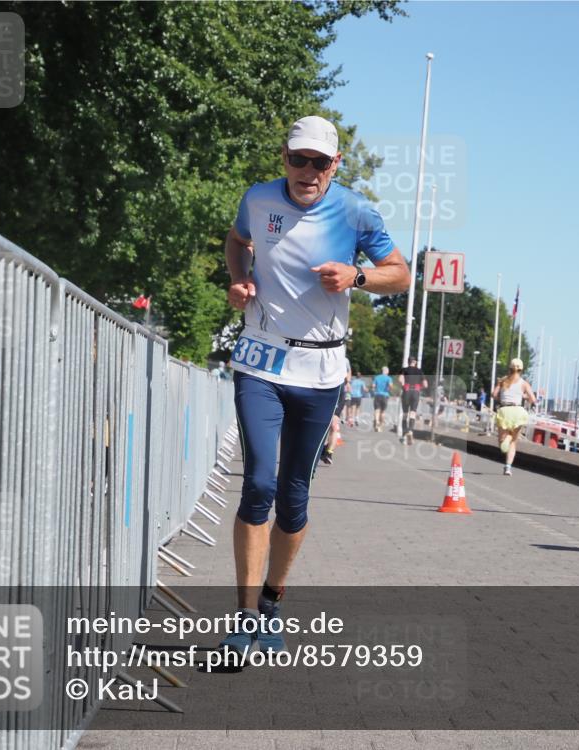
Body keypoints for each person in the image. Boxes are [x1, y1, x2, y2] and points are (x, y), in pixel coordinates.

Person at [223, 115, 409, 655]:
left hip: (321, 372)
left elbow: (400, 273)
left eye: (318, 162)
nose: (306, 171)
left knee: (293, 498)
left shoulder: (355, 210)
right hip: (260, 357)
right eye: (296, 159)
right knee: (258, 482)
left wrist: (358, 276)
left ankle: (272, 602)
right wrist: (238, 279)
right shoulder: (257, 199)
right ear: (283, 157)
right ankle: (243, 616)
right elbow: (237, 242)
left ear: (336, 165)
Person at [491, 358, 538, 476]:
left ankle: (506, 439)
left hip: (504, 411)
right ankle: (508, 467)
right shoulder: (524, 383)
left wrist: (500, 397)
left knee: (502, 444)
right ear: (521, 370)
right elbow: (533, 399)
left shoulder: (502, 381)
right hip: (517, 412)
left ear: (509, 368)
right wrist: (524, 396)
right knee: (513, 442)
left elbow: (493, 395)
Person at [321, 362, 350, 466]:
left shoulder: (343, 364)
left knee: (334, 427)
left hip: (338, 401)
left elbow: (346, 386)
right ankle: (321, 449)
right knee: (322, 428)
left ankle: (329, 453)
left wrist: (337, 413)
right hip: (323, 401)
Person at [398, 357, 428, 444]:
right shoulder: (420, 371)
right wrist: (419, 388)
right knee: (413, 413)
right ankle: (410, 431)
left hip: (407, 391)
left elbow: (400, 380)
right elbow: (426, 385)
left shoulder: (404, 370)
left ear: (408, 362)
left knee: (405, 414)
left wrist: (404, 386)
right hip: (416, 392)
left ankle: (404, 435)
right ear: (415, 362)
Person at [372, 366, 393, 432]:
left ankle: (377, 422)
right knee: (383, 411)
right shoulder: (389, 378)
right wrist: (389, 389)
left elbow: (373, 386)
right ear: (387, 371)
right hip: (385, 395)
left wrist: (375, 390)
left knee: (377, 410)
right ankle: (380, 426)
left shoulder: (377, 377)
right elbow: (391, 386)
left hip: (377, 394)